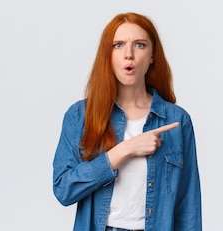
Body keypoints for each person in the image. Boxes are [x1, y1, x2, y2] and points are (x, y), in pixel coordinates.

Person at [52, 12, 202, 231]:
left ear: (152, 55)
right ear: (107, 55)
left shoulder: (177, 121)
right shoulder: (80, 116)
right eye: (118, 45)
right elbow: (64, 190)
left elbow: (188, 207)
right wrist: (123, 151)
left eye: (140, 45)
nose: (128, 54)